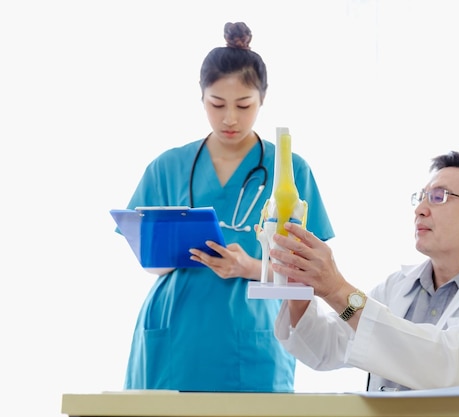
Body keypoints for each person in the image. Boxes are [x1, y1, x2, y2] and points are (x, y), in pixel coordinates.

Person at [120, 22, 334, 392]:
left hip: (253, 332)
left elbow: (308, 272)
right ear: (201, 98)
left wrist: (247, 266)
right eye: (216, 104)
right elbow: (149, 260)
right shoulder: (167, 166)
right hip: (175, 331)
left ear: (262, 100)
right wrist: (178, 249)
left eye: (244, 105)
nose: (229, 118)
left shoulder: (290, 169)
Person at [270, 151, 459, 391]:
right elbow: (328, 345)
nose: (420, 210)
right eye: (422, 197)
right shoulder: (398, 286)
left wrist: (337, 289)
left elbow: (447, 365)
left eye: (439, 197)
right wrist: (300, 290)